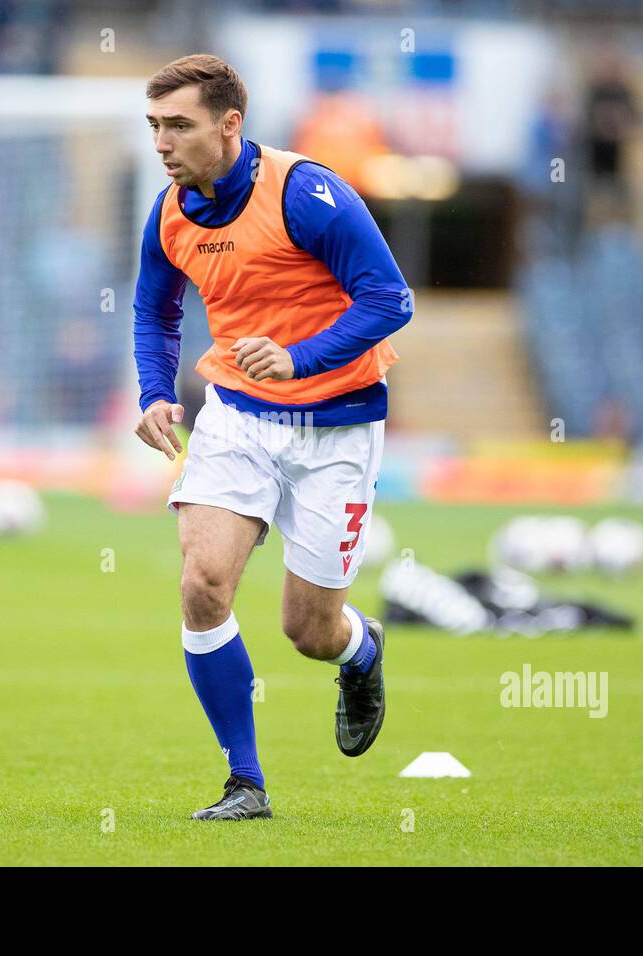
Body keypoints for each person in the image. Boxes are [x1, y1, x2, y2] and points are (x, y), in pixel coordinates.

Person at [132, 54, 412, 819]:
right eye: (155, 126)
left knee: (308, 630)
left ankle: (361, 650)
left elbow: (390, 299)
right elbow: (157, 314)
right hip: (237, 418)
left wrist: (299, 358)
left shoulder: (307, 192)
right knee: (202, 584)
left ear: (230, 125)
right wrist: (157, 393)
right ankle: (245, 781)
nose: (163, 142)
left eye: (179, 125)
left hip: (340, 425)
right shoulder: (169, 212)